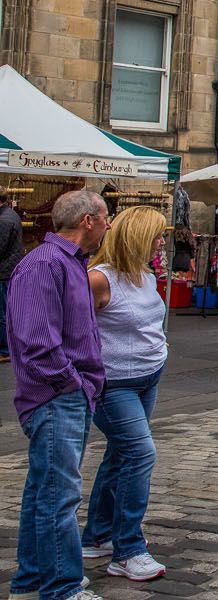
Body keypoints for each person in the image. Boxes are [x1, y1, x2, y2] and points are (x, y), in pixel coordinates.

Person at [7, 189, 110, 600]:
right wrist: (73, 384)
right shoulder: (45, 264)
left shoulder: (67, 264)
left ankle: (32, 581)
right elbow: (38, 344)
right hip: (55, 398)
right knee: (57, 496)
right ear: (87, 220)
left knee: (44, 493)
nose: (108, 226)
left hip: (67, 394)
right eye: (105, 218)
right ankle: (60, 586)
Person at [78, 205, 169, 584]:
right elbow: (73, 331)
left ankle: (97, 534)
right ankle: (127, 548)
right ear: (137, 238)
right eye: (157, 236)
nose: (162, 243)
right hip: (113, 384)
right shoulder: (98, 278)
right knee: (139, 453)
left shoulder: (145, 275)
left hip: (148, 375)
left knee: (120, 455)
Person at [0, 193, 23, 362]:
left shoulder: (4, 220)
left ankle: (4, 349)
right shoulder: (9, 215)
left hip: (3, 271)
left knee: (2, 312)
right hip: (7, 269)